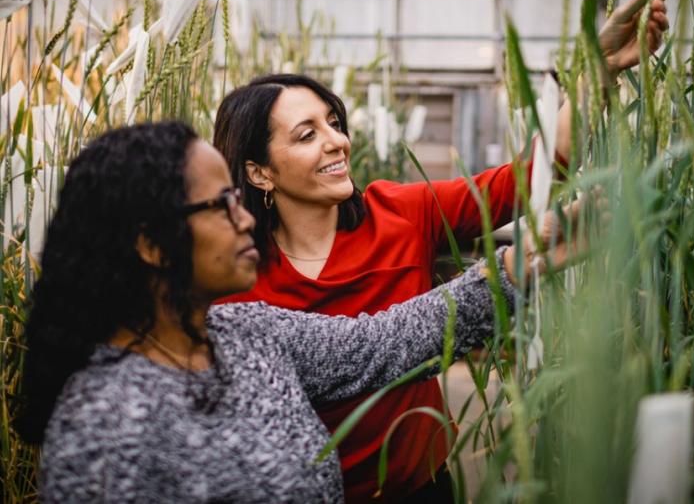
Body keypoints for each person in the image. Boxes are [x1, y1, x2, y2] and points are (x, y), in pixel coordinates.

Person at [212, 0, 668, 502]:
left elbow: (531, 178)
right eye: (306, 134)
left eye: (333, 123)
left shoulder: (402, 211)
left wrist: (595, 73)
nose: (337, 141)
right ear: (259, 171)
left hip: (421, 487)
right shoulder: (233, 274)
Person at [17, 121, 581, 502]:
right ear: (151, 245)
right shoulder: (103, 425)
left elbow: (382, 342)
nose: (243, 220)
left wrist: (514, 269)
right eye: (221, 205)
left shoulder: (245, 333)